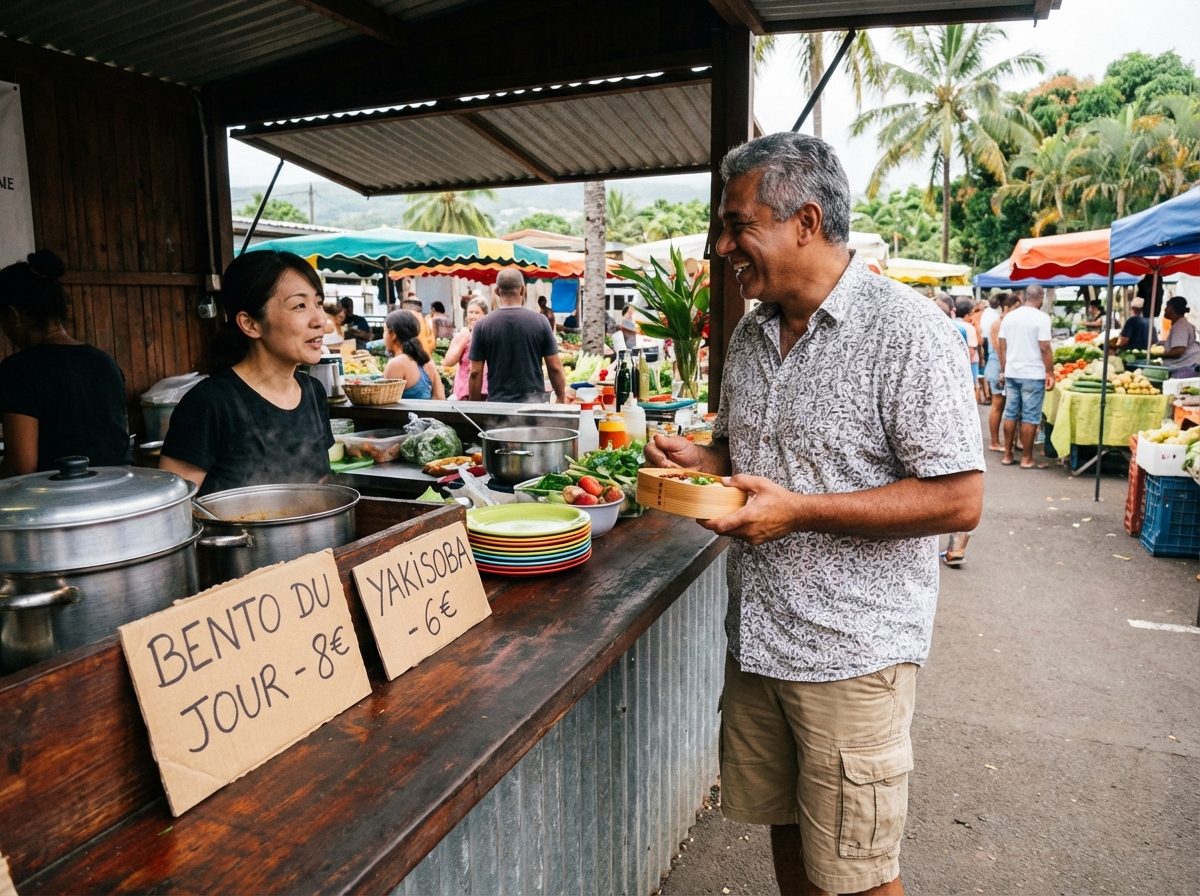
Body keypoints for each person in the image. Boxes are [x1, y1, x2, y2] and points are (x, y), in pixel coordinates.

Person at [644, 132, 984, 896]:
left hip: (851, 655)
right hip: (762, 642)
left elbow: (961, 498)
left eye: (738, 224)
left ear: (804, 220)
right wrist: (701, 466)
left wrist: (799, 513)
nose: (723, 244)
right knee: (792, 843)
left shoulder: (908, 331)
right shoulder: (751, 332)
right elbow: (743, 456)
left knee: (859, 876)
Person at [160, 250, 333, 497]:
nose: (320, 320)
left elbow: (321, 487)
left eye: (318, 303)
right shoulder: (209, 403)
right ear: (250, 324)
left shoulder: (313, 391)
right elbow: (174, 508)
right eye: (299, 305)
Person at [0, 250, 131, 476]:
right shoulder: (105, 363)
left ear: (14, 316)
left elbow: (20, 467)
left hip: (60, 504)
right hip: (119, 497)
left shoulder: (18, 371)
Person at [468, 269, 566, 403]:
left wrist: (474, 408)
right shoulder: (540, 321)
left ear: (497, 291)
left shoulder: (482, 325)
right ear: (522, 290)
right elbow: (554, 368)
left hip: (498, 405)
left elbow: (475, 373)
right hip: (534, 406)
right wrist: (561, 399)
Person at [997, 284, 1054, 469]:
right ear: (1041, 297)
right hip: (1033, 373)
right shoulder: (1042, 318)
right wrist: (1050, 372)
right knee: (1030, 416)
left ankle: (1007, 455)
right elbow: (1045, 346)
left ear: (1022, 297)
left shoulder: (1009, 317)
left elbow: (1001, 344)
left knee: (1010, 412)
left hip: (1012, 372)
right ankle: (1027, 458)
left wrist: (1004, 369)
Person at [985, 293, 1021, 452]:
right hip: (998, 365)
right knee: (998, 404)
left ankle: (1010, 441)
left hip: (1001, 365)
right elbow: (1000, 350)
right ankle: (994, 442)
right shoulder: (999, 323)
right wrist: (1003, 370)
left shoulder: (1006, 322)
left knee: (1005, 405)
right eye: (1016, 308)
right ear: (1006, 307)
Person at [382, 310, 446, 400]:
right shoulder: (428, 362)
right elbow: (440, 398)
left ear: (393, 334)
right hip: (426, 414)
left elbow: (385, 404)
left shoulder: (396, 364)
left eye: (384, 331)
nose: (383, 336)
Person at [443, 297, 489, 400]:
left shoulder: (490, 333)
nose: (472, 316)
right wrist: (464, 340)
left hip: (487, 389)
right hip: (464, 389)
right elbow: (448, 362)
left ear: (485, 314)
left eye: (476, 313)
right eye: (470, 312)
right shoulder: (463, 333)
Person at [1159, 296, 1200, 377]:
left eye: (1166, 307)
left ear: (1171, 309)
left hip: (1184, 368)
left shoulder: (1180, 326)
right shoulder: (1180, 324)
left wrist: (1161, 354)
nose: (1165, 309)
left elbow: (1179, 350)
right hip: (1186, 366)